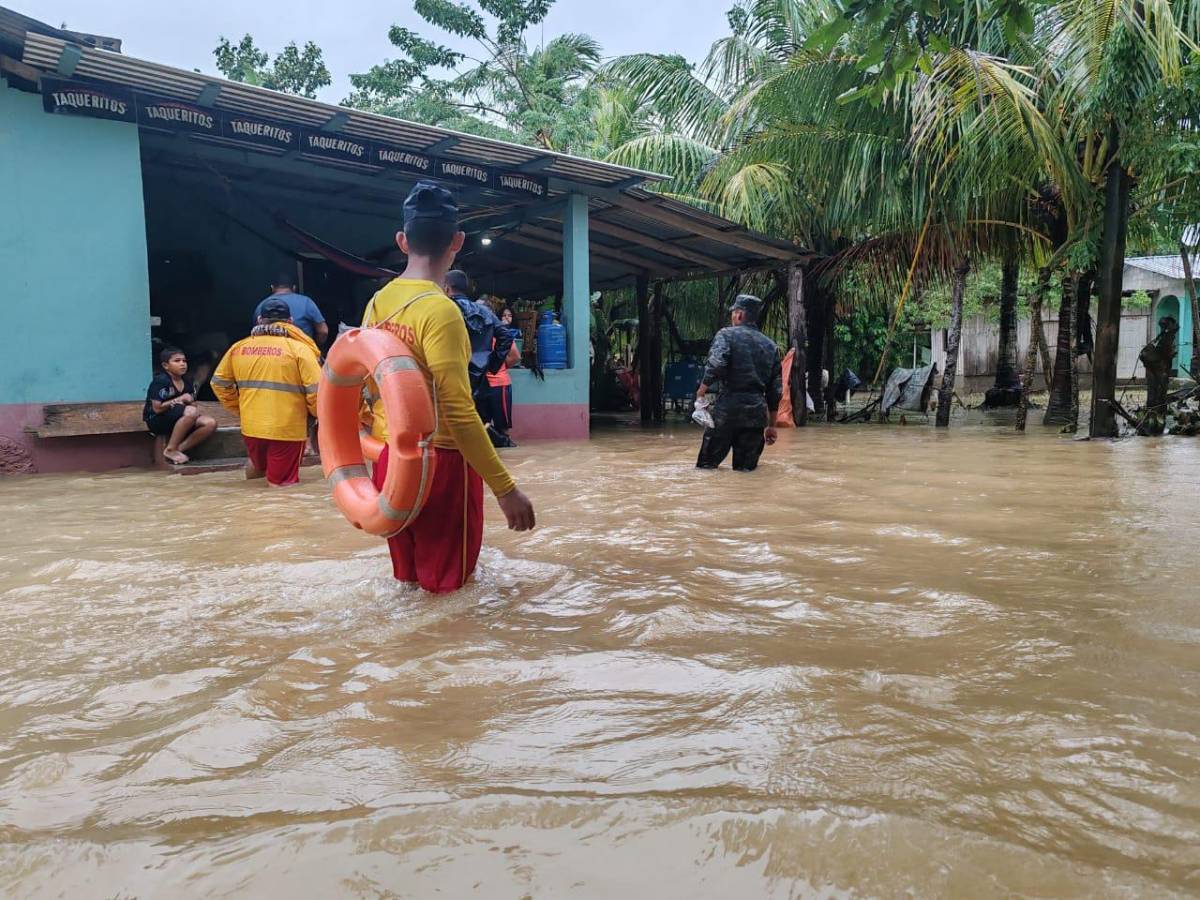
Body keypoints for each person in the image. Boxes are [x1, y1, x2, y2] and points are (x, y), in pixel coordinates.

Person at [362, 180, 535, 593]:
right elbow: (457, 410)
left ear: (402, 240)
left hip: (392, 462)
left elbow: (364, 386)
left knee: (407, 584)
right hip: (441, 467)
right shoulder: (441, 312)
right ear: (457, 241)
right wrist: (505, 489)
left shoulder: (377, 303)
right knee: (447, 593)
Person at [213, 298, 321, 486]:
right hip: (287, 429)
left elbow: (219, 384)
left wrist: (240, 409)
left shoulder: (238, 348)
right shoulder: (300, 349)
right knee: (281, 487)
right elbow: (317, 391)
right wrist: (315, 414)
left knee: (257, 468)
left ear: (260, 320)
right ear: (291, 321)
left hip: (251, 426)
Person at [695, 294, 782, 472]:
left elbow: (717, 364)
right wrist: (772, 426)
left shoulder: (726, 335)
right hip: (756, 414)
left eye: (733, 312)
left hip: (727, 410)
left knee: (705, 468)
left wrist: (701, 391)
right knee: (746, 473)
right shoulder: (770, 346)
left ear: (740, 315)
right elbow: (775, 391)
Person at [143, 347, 217, 464]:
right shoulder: (161, 381)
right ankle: (170, 449)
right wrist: (180, 399)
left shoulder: (187, 382)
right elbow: (157, 409)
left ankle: (179, 449)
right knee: (190, 412)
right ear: (166, 365)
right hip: (157, 420)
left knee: (210, 423)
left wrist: (189, 402)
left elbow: (193, 404)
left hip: (180, 419)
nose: (182, 364)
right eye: (177, 361)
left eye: (184, 361)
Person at [252, 273, 329, 348]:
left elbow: (256, 335)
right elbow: (323, 331)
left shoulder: (261, 305)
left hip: (271, 355)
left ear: (272, 287)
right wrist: (314, 348)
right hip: (303, 354)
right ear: (294, 287)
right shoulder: (306, 302)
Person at [483, 307, 521, 446]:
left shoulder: (500, 334)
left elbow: (516, 356)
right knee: (484, 425)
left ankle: (505, 454)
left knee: (502, 427)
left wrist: (500, 367)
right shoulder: (477, 335)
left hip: (499, 385)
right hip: (483, 385)